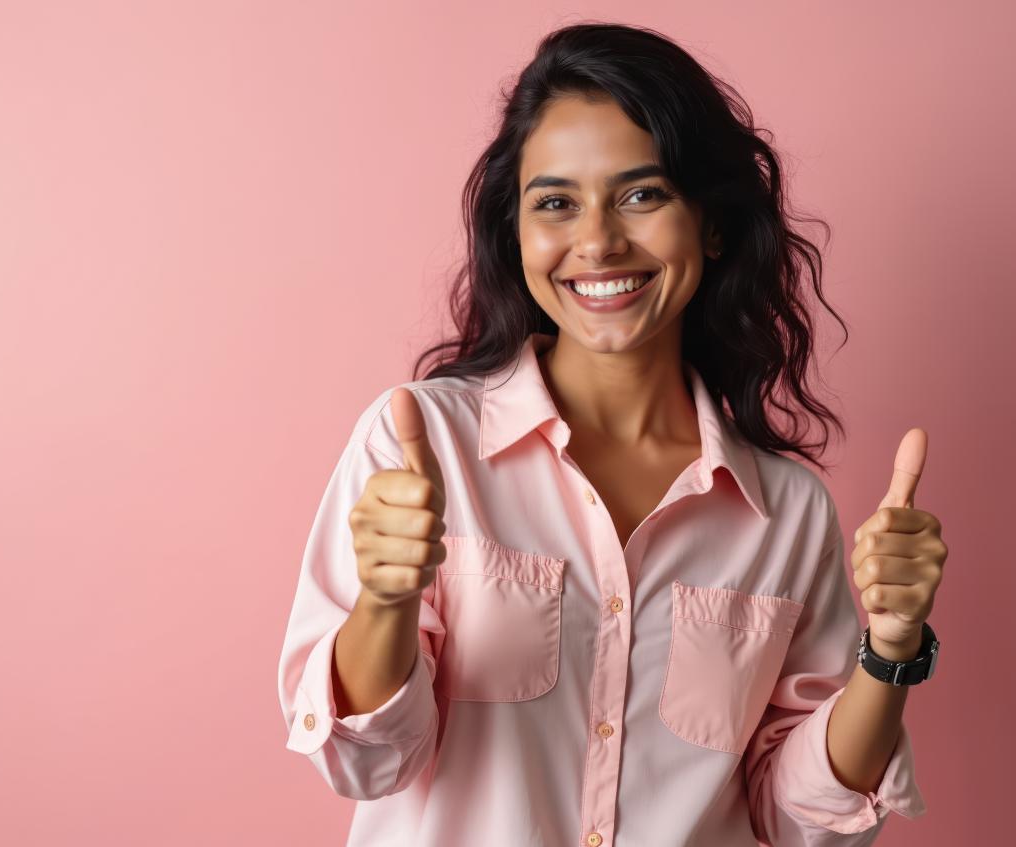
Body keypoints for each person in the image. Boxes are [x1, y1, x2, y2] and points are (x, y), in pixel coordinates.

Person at [277, 22, 941, 846]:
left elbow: (797, 815)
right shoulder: (422, 443)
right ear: (514, 232)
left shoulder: (788, 511)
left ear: (714, 225)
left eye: (642, 194)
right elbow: (365, 760)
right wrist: (384, 598)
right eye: (555, 202)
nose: (596, 241)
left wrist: (890, 650)